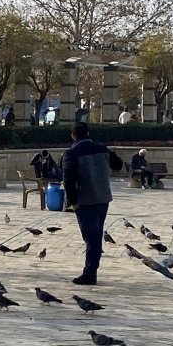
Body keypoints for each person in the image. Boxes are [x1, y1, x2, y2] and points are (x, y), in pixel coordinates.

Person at [61, 122, 123, 286]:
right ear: (88, 133)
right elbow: (118, 165)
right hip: (103, 199)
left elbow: (68, 180)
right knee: (96, 235)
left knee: (91, 238)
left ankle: (90, 273)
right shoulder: (102, 149)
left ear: (73, 135)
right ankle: (91, 270)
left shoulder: (71, 153)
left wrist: (72, 202)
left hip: (85, 200)